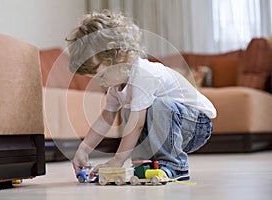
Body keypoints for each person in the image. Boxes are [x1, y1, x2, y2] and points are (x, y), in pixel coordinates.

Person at [66, 10, 216, 181]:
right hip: (173, 125)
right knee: (130, 111)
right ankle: (144, 165)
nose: (100, 82)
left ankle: (175, 166)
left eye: (101, 75)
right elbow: (106, 118)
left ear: (119, 55)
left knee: (156, 107)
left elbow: (136, 125)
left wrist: (118, 160)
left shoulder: (144, 74)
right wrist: (83, 150)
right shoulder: (116, 85)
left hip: (196, 124)